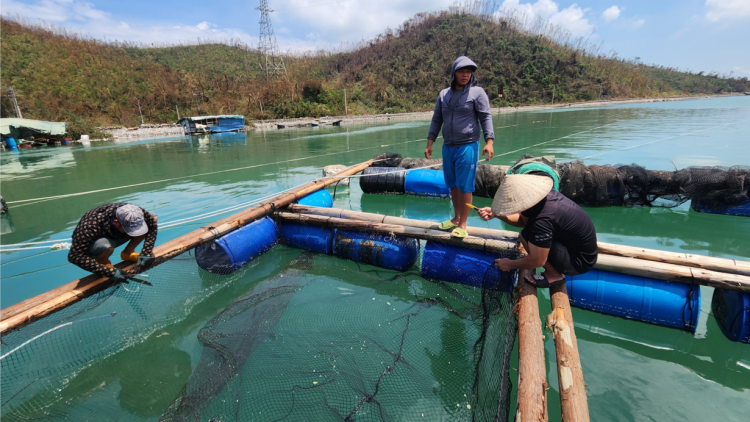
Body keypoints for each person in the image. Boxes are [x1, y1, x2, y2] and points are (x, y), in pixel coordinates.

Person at [477, 174, 598, 287]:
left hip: (578, 262)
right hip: (572, 247)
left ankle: (553, 275)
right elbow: (522, 221)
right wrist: (497, 214)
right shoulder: (541, 198)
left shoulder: (543, 219)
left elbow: (538, 260)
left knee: (528, 235)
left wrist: (510, 264)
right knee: (526, 232)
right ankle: (551, 269)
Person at [426, 56, 494, 239]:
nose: (465, 75)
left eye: (468, 72)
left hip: (468, 145)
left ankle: (463, 224)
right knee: (453, 184)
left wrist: (489, 141)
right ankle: (456, 218)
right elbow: (437, 119)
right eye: (461, 71)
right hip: (448, 146)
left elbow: (485, 117)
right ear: (453, 73)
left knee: (465, 186)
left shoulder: (477, 93)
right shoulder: (443, 95)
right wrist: (430, 142)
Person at [68, 203, 158, 281]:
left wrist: (146, 251)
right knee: (103, 246)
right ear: (116, 222)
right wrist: (108, 272)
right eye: (130, 228)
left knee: (152, 217)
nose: (136, 231)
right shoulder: (89, 226)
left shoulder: (133, 211)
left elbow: (152, 224)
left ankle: (128, 252)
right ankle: (104, 263)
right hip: (104, 241)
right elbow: (74, 256)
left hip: (120, 234)